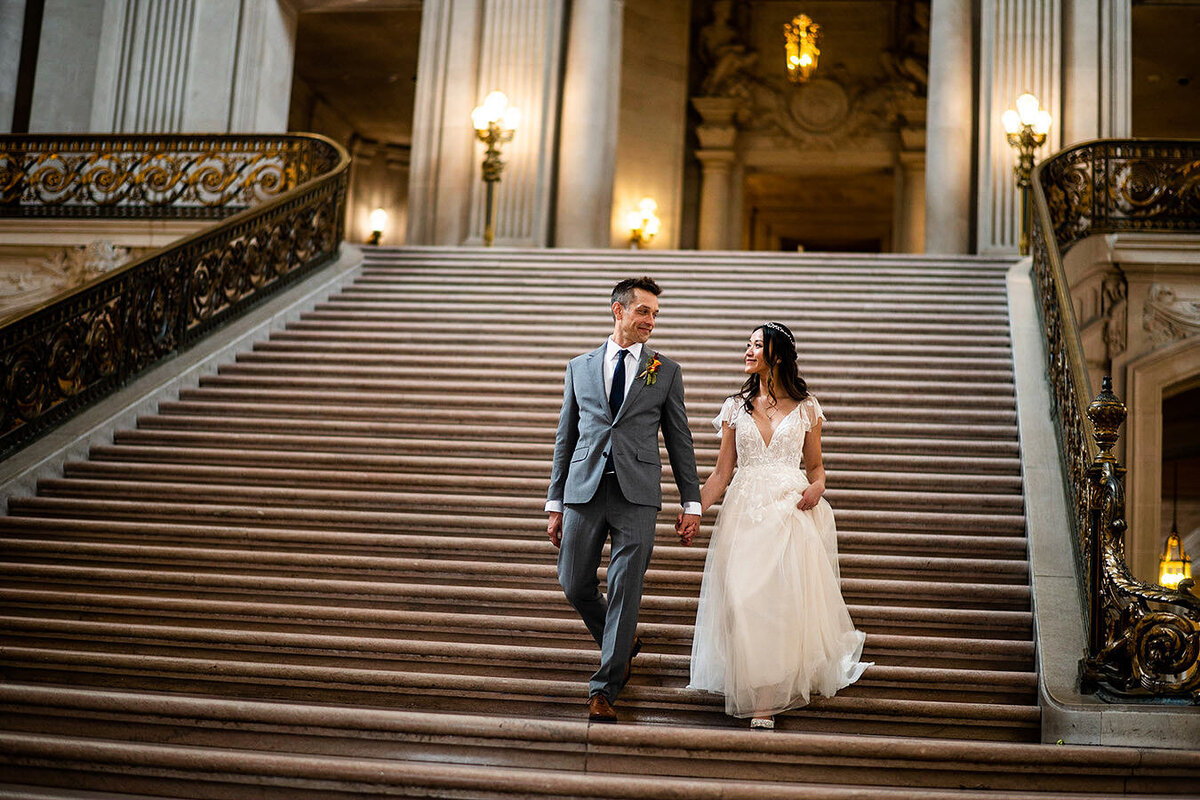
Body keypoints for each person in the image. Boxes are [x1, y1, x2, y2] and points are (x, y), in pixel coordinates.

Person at [688, 322, 871, 730]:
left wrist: (817, 488)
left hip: (790, 511)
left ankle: (764, 705)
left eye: (757, 344)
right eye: (747, 343)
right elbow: (721, 473)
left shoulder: (807, 408)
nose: (748, 350)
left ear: (778, 355)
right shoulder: (735, 407)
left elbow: (817, 468)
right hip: (744, 512)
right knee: (741, 601)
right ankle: (753, 682)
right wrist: (694, 509)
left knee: (778, 606)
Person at [546, 277, 702, 724]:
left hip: (637, 495)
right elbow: (566, 436)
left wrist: (691, 502)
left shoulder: (665, 371)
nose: (651, 321)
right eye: (644, 312)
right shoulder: (579, 366)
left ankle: (605, 688)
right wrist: (555, 501)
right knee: (574, 583)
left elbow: (680, 440)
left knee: (625, 590)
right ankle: (623, 641)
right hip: (583, 489)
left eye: (655, 314)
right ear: (619, 311)